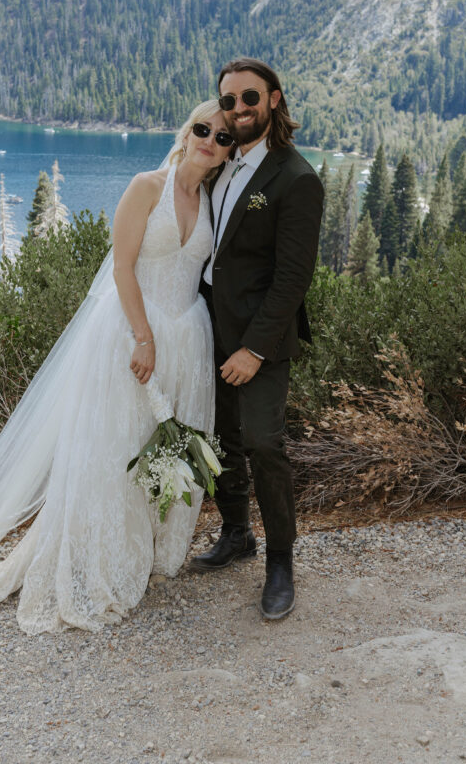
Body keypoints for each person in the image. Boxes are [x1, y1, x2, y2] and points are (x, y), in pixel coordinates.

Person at [0, 100, 235, 640]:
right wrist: (144, 338)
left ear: (226, 153)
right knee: (116, 449)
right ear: (187, 131)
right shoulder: (147, 186)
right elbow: (123, 267)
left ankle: (152, 547)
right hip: (133, 336)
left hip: (188, 339)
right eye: (203, 129)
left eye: (221, 137)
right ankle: (104, 561)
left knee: (167, 446)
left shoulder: (211, 198)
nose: (209, 141)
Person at [191, 57, 324, 621]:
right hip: (205, 329)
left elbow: (293, 279)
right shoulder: (219, 162)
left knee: (265, 444)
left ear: (273, 99)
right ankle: (237, 533)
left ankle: (279, 563)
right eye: (228, 100)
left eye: (249, 98)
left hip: (258, 341)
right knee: (220, 437)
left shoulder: (296, 178)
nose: (238, 109)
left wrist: (254, 349)